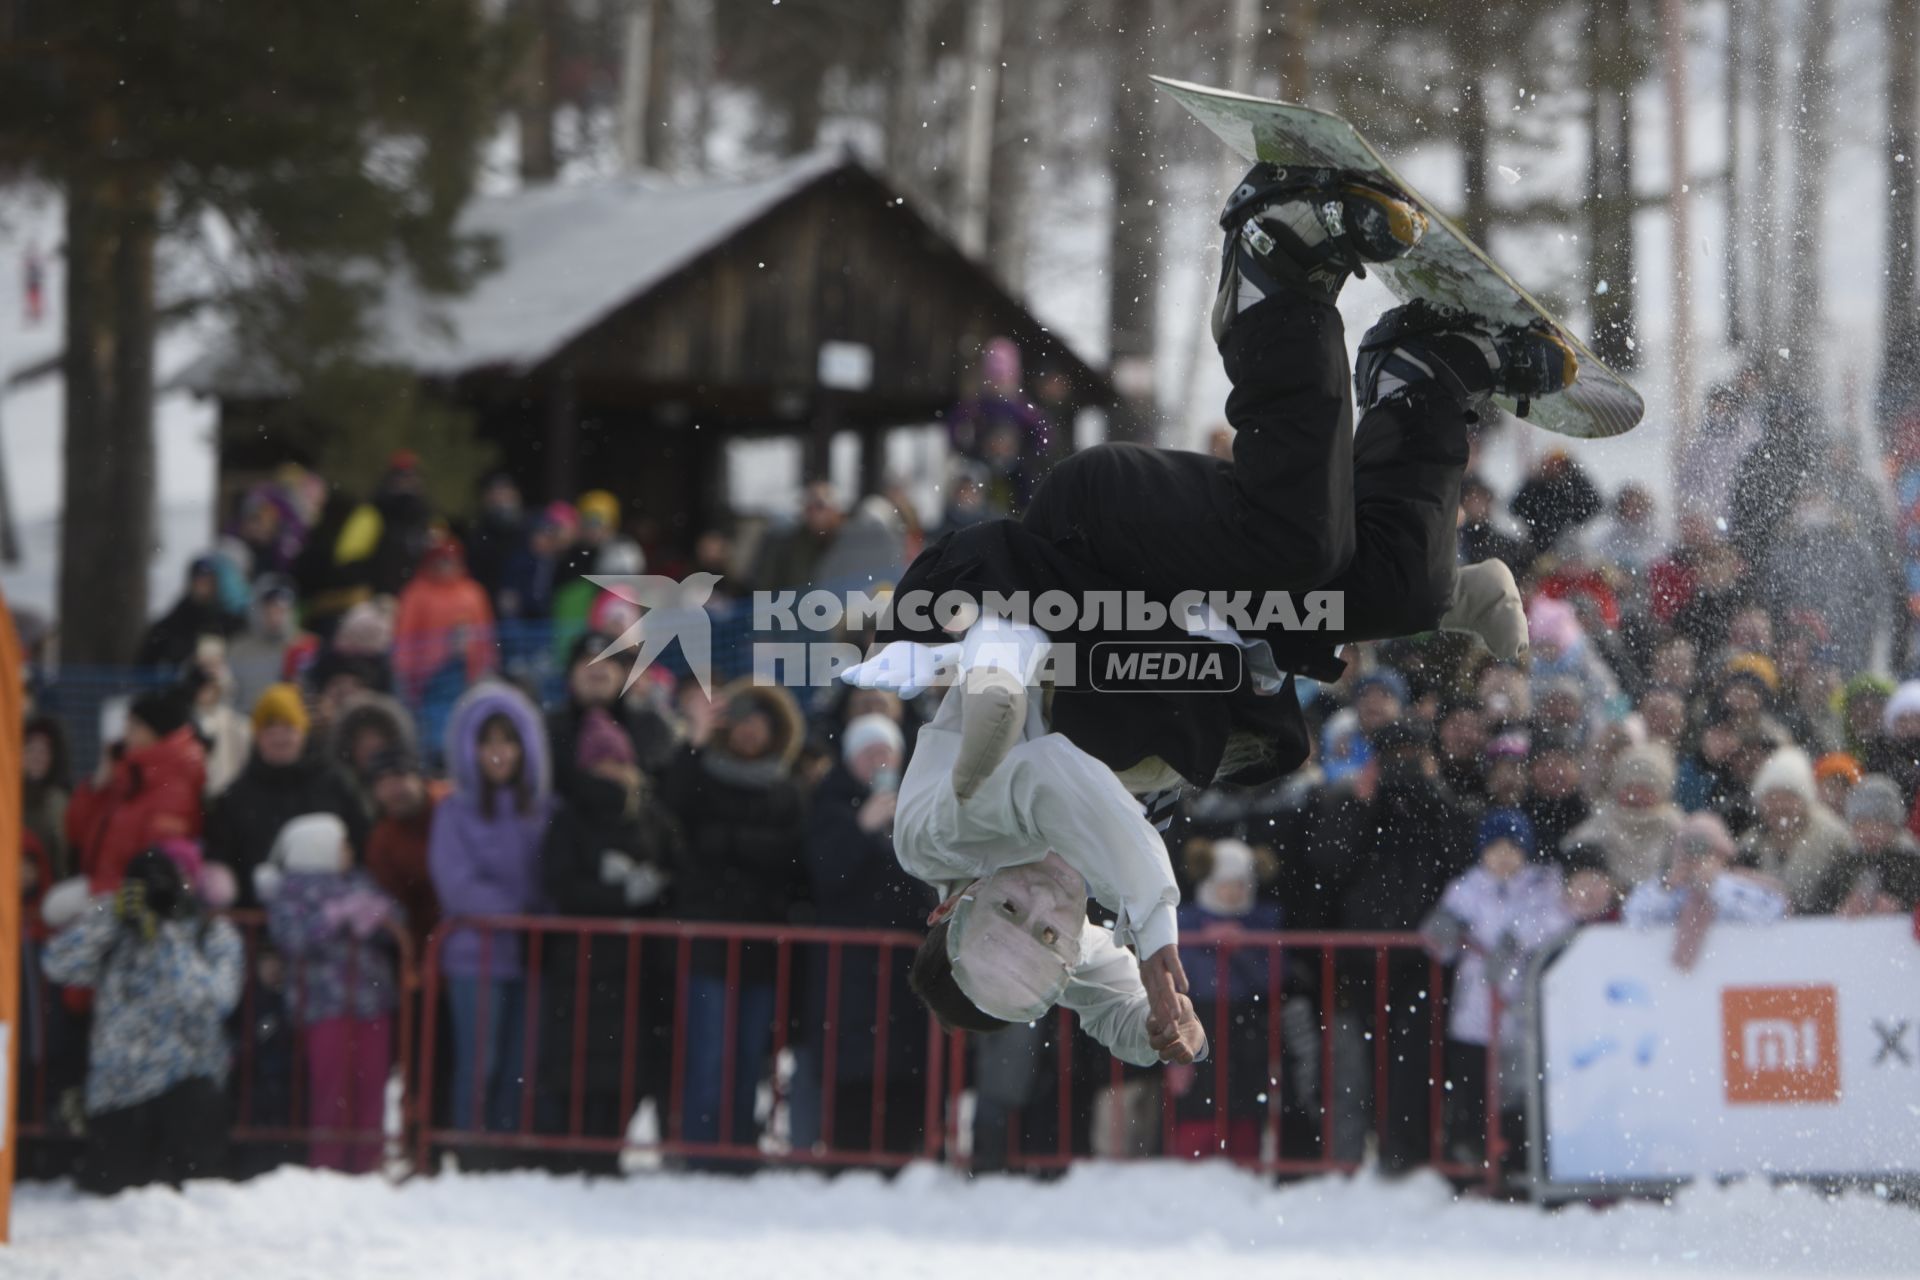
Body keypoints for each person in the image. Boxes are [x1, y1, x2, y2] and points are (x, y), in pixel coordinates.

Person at [849, 162, 1573, 1068]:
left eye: (1012, 911)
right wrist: (1159, 1032)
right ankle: (1423, 378)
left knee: (1294, 546)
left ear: (953, 903)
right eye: (1052, 938)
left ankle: (1273, 266)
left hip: (1093, 550)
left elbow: (1058, 785)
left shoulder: (938, 840)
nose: (1044, 905)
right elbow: (1110, 1009)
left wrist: (1157, 949)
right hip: (1192, 613)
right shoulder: (1064, 931)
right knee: (1399, 586)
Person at [660, 680, 809, 1152]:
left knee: (748, 1055)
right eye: (742, 722)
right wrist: (694, 739)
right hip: (707, 940)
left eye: (760, 724)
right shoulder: (701, 773)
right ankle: (702, 1147)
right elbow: (669, 810)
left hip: (762, 944)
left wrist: (727, 844)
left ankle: (739, 1147)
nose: (750, 733)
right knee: (709, 1053)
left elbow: (792, 858)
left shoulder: (787, 791)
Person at [41, 846, 244, 1194]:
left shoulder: (213, 933)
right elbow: (58, 964)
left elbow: (213, 1001)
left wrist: (167, 932)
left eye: (174, 879)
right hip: (118, 1090)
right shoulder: (113, 923)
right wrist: (111, 915)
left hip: (186, 1086)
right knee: (112, 1206)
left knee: (198, 1202)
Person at [536, 709, 683, 1168]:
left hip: (640, 965)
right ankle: (577, 1151)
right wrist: (614, 892)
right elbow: (558, 880)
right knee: (579, 1060)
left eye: (617, 762)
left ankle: (610, 1146)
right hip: (583, 960)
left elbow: (679, 870)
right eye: (600, 763)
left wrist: (652, 885)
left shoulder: (651, 816)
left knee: (629, 1062)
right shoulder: (570, 818)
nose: (611, 772)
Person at [794, 713, 929, 1156]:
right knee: (849, 1066)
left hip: (904, 967)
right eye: (868, 752)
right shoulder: (829, 805)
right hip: (847, 968)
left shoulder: (921, 805)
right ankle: (846, 1152)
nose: (879, 761)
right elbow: (826, 874)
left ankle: (904, 1154)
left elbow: (931, 888)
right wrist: (860, 830)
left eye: (886, 752)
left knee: (905, 1066)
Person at [428, 681, 553, 1135]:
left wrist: (545, 918)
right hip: (474, 956)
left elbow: (554, 877)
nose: (499, 752)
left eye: (508, 740)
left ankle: (509, 1149)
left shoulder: (542, 811)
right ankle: (472, 1147)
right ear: (470, 747)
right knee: (480, 1063)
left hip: (532, 956)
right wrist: (523, 913)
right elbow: (457, 886)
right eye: (488, 741)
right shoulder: (453, 812)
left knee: (521, 1066)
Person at [1422, 810, 1570, 1164]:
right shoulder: (1467, 887)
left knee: (1518, 1089)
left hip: (1522, 1007)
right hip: (1475, 1005)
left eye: (1513, 848)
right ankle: (1473, 1151)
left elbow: (1556, 920)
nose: (1504, 857)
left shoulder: (1541, 886)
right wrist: (1443, 930)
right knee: (1473, 1084)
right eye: (1496, 848)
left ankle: (1517, 1156)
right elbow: (1439, 943)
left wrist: (1516, 938)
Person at [263, 813, 402, 1173]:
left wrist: (384, 918)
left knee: (372, 1084)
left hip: (372, 1001)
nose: (348, 851)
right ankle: (329, 1164)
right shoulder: (291, 890)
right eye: (341, 844)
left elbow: (396, 928)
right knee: (332, 1087)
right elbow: (291, 937)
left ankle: (369, 1161)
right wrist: (332, 919)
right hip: (324, 1004)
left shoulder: (360, 881)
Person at [204, 684, 368, 907]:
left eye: (288, 727)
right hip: (260, 917)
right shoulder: (236, 796)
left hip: (334, 908)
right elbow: (221, 856)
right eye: (269, 729)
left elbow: (363, 836)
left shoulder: (335, 782)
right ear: (257, 736)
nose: (279, 737)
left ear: (303, 731)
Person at [68, 690, 207, 893]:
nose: (125, 734)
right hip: (107, 897)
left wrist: (93, 892)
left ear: (155, 732)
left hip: (133, 905)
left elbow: (156, 872)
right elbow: (75, 832)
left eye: (134, 726)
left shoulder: (174, 789)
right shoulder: (126, 778)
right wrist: (96, 785)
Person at [1735, 746, 1853, 911]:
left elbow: (1838, 896)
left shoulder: (1835, 841)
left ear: (1805, 802)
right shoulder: (1750, 845)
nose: (1779, 807)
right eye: (1772, 799)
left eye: (1788, 798)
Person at [391, 534, 497, 703]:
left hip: (467, 672)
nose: (445, 565)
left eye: (450, 559)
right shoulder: (416, 593)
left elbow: (485, 633)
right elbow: (404, 635)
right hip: (427, 676)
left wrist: (487, 663)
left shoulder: (473, 592)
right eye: (441, 559)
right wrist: (405, 672)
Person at [362, 747, 444, 956]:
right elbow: (397, 906)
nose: (392, 790)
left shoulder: (448, 808)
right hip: (430, 949)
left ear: (419, 778)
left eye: (399, 777)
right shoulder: (383, 840)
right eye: (382, 782)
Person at [1809, 774, 1920, 915]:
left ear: (1895, 825)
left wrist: (1903, 907)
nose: (1869, 831)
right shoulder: (1843, 863)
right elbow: (1815, 908)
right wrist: (1840, 908)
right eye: (1862, 823)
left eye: (1878, 822)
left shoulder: (1912, 863)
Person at [138, 555, 244, 668]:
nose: (204, 587)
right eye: (200, 581)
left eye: (209, 582)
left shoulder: (230, 623)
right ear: (191, 583)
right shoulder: (170, 626)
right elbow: (144, 667)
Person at [186, 636, 253, 797]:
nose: (210, 672)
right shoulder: (187, 719)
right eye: (204, 665)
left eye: (215, 664)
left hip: (228, 790)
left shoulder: (235, 721)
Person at [23, 714, 73, 881]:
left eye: (44, 751)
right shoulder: (7, 799)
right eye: (30, 749)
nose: (37, 757)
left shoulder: (58, 802)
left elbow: (63, 859)